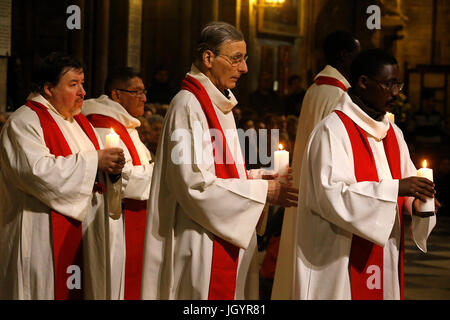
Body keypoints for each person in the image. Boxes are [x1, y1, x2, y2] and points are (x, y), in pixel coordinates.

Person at [141, 21, 298, 300]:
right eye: (236, 59)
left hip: (218, 238)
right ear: (208, 58)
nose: (245, 69)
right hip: (200, 242)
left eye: (245, 59)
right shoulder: (188, 105)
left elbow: (222, 175)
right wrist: (263, 192)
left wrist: (259, 179)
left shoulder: (218, 104)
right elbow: (196, 186)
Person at [293, 49, 440, 299]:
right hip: (338, 255)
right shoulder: (332, 130)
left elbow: (407, 186)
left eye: (398, 84)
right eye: (388, 84)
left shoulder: (393, 133)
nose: (396, 93)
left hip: (384, 252)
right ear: (363, 82)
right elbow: (329, 196)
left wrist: (417, 204)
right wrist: (396, 189)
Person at [0, 52, 125, 300]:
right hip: (40, 235)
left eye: (82, 84)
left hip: (82, 233)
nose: (82, 92)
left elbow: (94, 169)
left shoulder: (79, 122)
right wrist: (95, 160)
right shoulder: (24, 121)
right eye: (73, 84)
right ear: (48, 88)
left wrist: (111, 168)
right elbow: (36, 173)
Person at [273, 30, 361, 299]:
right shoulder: (337, 95)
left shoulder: (315, 89)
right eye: (356, 53)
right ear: (344, 55)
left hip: (304, 185)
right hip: (323, 193)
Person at [82, 67, 154, 300]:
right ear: (116, 95)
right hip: (113, 219)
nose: (144, 98)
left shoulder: (126, 125)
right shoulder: (103, 125)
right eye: (136, 92)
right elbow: (120, 178)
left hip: (131, 218)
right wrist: (160, 175)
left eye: (144, 92)